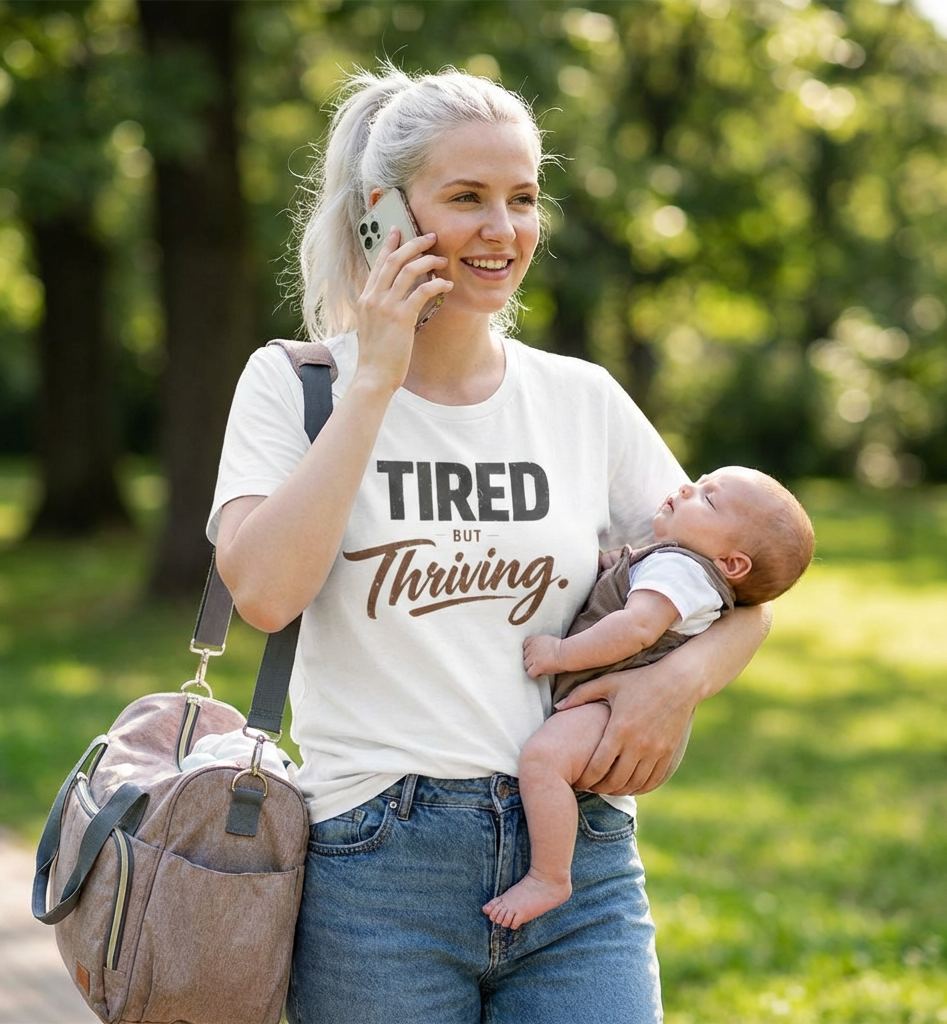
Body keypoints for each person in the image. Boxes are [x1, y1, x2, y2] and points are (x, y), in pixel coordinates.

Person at [210, 64, 769, 1024]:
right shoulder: (291, 386)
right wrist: (374, 380)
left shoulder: (580, 398)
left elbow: (740, 591)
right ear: (382, 211)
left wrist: (674, 686)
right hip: (374, 864)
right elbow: (264, 595)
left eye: (522, 199)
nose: (502, 231)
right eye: (465, 197)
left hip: (578, 861)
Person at [483, 467, 814, 930]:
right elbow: (621, 574)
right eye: (699, 480)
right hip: (608, 700)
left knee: (543, 761)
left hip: (612, 706)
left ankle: (549, 876)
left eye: (708, 499)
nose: (685, 487)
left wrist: (560, 652)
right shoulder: (675, 561)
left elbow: (635, 628)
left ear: (732, 564)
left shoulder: (682, 573)